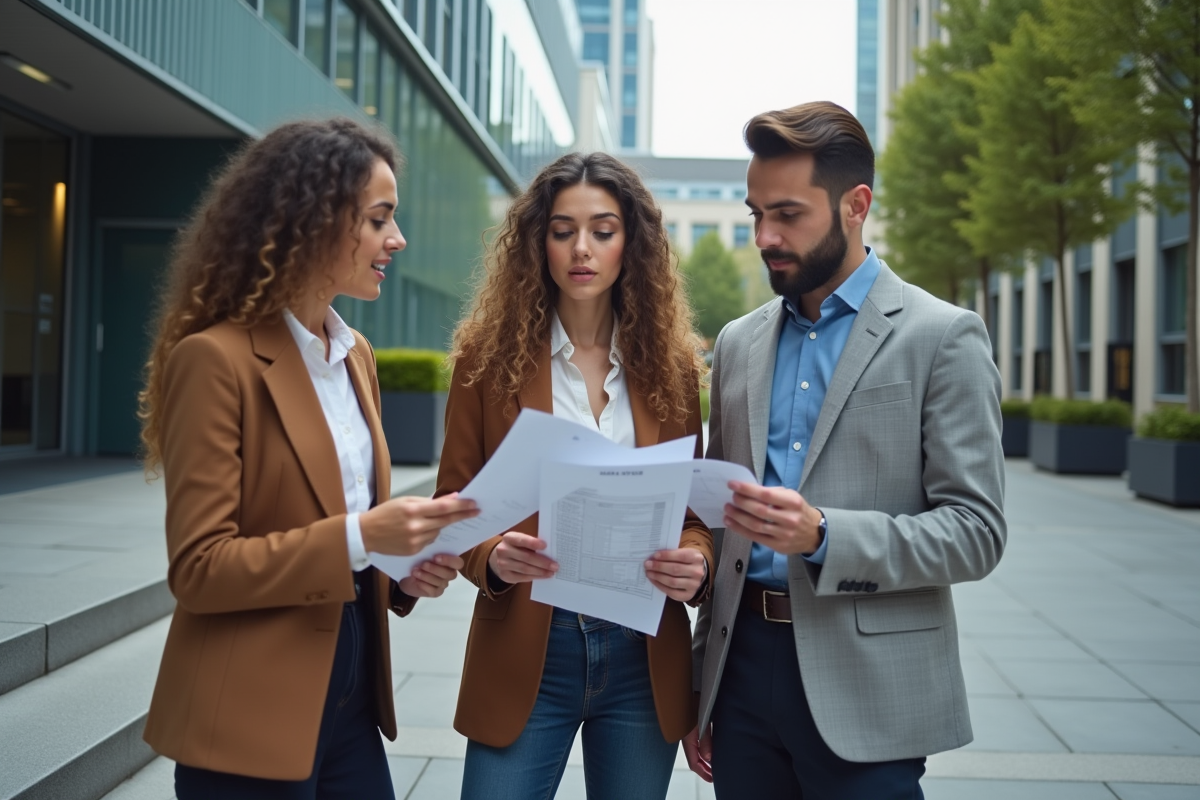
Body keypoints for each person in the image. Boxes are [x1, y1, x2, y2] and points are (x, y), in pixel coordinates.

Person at [137, 118, 479, 799]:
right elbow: (201, 569)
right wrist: (364, 536)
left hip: (351, 698)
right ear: (315, 221)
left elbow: (344, 537)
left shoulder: (355, 356)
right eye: (380, 219)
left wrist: (402, 573)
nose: (397, 240)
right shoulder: (215, 360)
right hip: (249, 710)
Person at [683, 101, 1006, 799]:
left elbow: (977, 534)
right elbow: (723, 520)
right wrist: (701, 683)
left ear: (856, 205)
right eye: (755, 214)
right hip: (740, 683)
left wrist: (824, 534)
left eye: (788, 215)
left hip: (870, 687)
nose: (766, 236)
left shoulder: (943, 337)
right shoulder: (738, 342)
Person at [436, 151, 713, 799]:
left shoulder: (670, 368)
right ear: (538, 241)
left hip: (642, 654)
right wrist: (491, 556)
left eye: (602, 230)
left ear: (631, 243)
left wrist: (696, 563)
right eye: (562, 231)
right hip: (530, 646)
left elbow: (695, 516)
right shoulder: (485, 359)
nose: (580, 249)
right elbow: (451, 502)